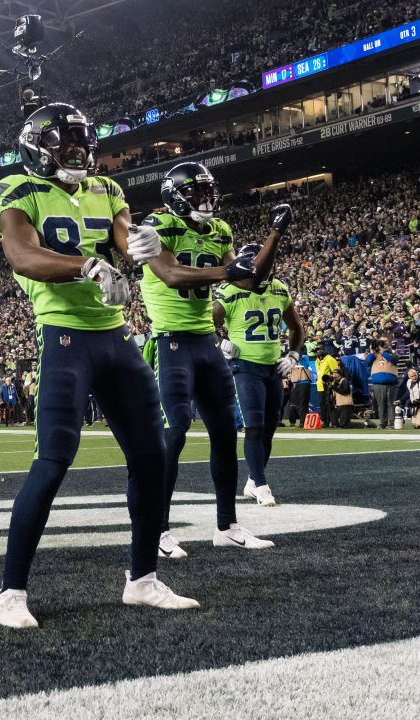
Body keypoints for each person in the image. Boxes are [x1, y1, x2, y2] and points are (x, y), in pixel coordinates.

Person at [0, 102, 199, 629]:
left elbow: (128, 237)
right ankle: (11, 592)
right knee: (54, 459)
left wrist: (143, 245)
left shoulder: (107, 191)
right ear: (40, 145)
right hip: (64, 336)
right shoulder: (18, 190)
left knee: (152, 457)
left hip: (115, 338)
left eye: (84, 141)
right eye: (67, 141)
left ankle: (143, 580)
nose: (79, 150)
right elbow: (22, 254)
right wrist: (86, 264)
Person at [140, 161, 287, 559]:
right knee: (174, 433)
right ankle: (158, 529)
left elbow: (249, 279)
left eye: (209, 192)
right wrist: (227, 268)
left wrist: (274, 235)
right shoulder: (157, 225)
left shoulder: (220, 230)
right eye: (197, 193)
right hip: (171, 341)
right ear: (175, 196)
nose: (206, 200)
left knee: (224, 432)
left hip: (206, 340)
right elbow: (170, 274)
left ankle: (227, 526)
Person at [212, 252, 304, 507]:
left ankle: (253, 480)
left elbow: (296, 327)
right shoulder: (230, 291)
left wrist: (294, 356)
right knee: (253, 425)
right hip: (245, 366)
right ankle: (262, 485)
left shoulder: (279, 289)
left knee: (270, 426)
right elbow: (206, 325)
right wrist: (221, 343)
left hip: (273, 367)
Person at [366, 338, 400, 430]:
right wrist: (372, 352)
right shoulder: (374, 355)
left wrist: (382, 352)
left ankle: (391, 423)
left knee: (390, 404)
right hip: (377, 383)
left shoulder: (392, 352)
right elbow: (368, 362)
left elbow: (394, 360)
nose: (382, 344)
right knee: (380, 404)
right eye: (381, 343)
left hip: (391, 383)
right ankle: (382, 422)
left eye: (384, 342)